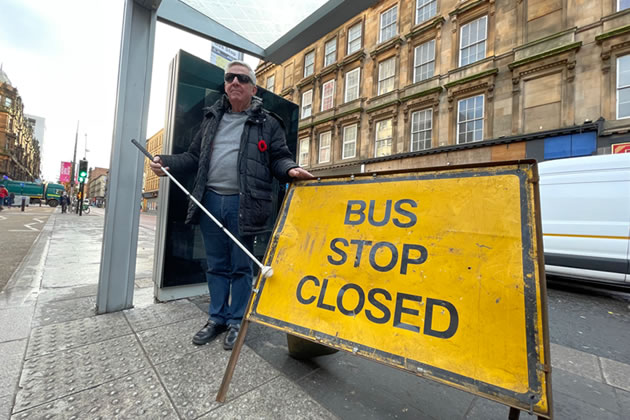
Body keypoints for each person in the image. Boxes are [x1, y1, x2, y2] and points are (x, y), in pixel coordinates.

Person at [150, 60, 313, 350]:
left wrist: (291, 170)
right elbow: (191, 157)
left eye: (241, 78)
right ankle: (217, 318)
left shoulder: (269, 122)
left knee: (240, 266)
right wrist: (166, 163)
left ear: (254, 87)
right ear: (225, 85)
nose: (234, 82)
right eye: (229, 78)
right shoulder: (211, 118)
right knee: (215, 265)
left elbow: (278, 157)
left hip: (245, 203)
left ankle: (237, 320)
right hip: (211, 200)